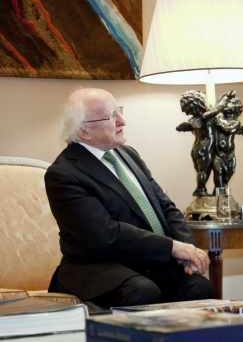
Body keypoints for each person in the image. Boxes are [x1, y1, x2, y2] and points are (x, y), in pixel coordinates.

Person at [46, 88, 213, 308]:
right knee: (142, 291)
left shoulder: (128, 154)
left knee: (199, 287)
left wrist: (187, 249)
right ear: (85, 131)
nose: (122, 121)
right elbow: (105, 234)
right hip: (96, 267)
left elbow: (166, 207)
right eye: (111, 116)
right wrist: (172, 247)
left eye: (119, 111)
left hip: (145, 261)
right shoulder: (64, 174)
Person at [212, 90, 243, 188]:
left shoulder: (235, 123)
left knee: (229, 173)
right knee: (218, 174)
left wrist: (217, 119)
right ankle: (219, 194)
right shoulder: (217, 121)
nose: (229, 110)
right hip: (218, 155)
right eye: (227, 106)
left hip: (230, 155)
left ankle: (221, 195)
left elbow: (227, 128)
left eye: (232, 107)